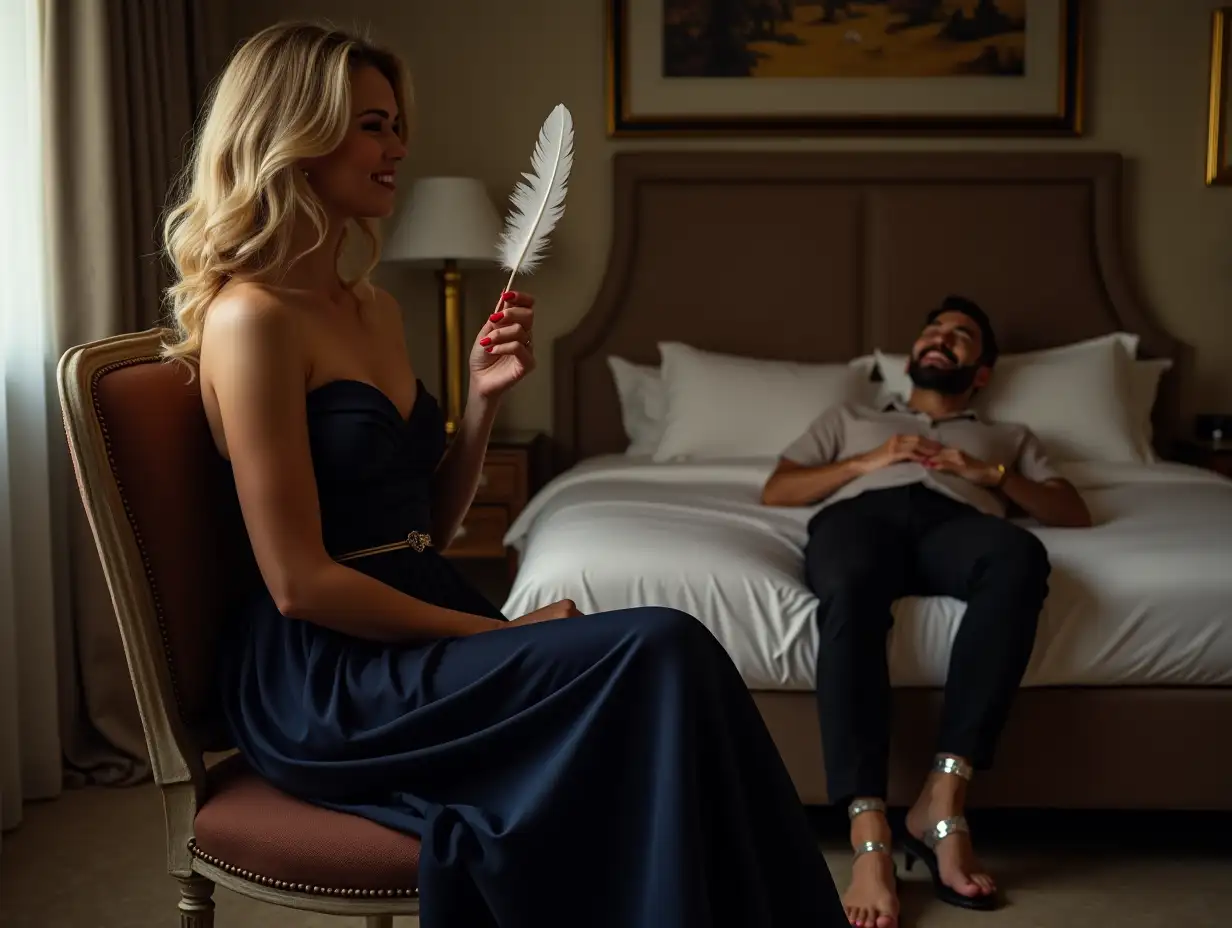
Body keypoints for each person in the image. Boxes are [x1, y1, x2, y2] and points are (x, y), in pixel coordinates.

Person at [159, 21, 848, 928]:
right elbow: (297, 585)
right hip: (329, 676)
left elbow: (424, 537)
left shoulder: (367, 306)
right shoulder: (253, 320)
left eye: (396, 123)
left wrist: (481, 406)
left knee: (665, 678)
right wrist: (493, 635)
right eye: (373, 124)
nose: (398, 146)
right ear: (295, 133)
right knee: (661, 646)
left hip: (416, 636)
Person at [761, 296, 1092, 928]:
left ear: (982, 370)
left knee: (1020, 558)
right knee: (852, 588)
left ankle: (943, 798)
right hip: (861, 518)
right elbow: (778, 489)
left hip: (957, 523)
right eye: (933, 331)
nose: (941, 339)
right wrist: (872, 459)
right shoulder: (851, 416)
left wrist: (988, 473)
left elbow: (1070, 511)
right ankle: (869, 838)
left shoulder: (1008, 437)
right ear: (913, 355)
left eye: (961, 336)